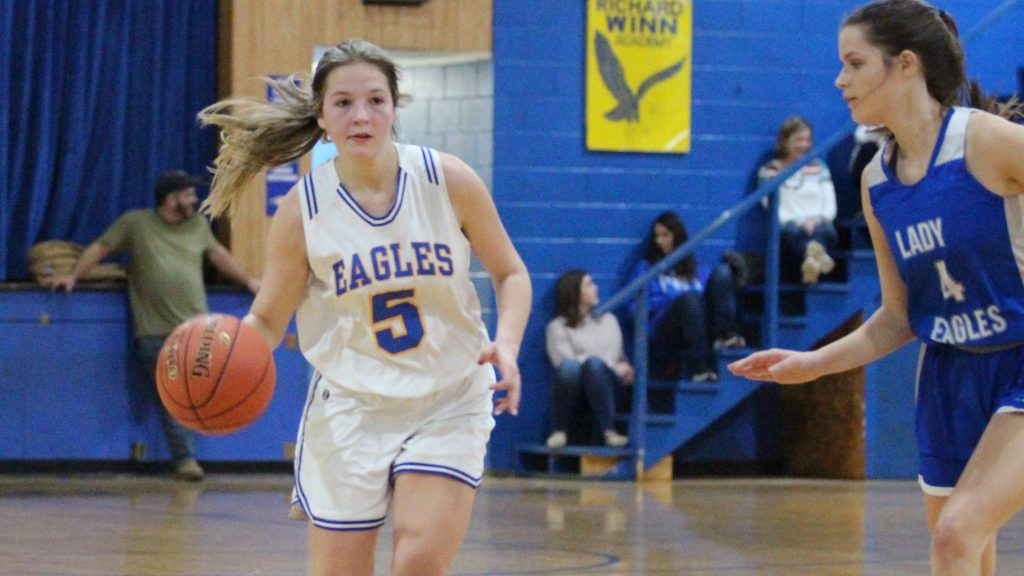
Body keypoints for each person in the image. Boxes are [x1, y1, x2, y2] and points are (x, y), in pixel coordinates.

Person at [196, 39, 531, 576]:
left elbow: (510, 273)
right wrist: (224, 355)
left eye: (376, 100)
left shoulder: (447, 180)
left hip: (448, 395)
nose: (361, 116)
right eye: (344, 103)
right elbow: (269, 318)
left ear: (395, 108)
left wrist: (507, 344)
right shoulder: (303, 210)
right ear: (321, 116)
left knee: (418, 561)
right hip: (350, 408)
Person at [729, 2, 1024, 575]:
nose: (840, 79)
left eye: (855, 63)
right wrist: (813, 363)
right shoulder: (875, 181)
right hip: (948, 374)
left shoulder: (985, 140)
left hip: (1018, 359)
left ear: (905, 64)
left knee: (955, 535)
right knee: (965, 551)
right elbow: (898, 316)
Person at [47, 170, 261, 481]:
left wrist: (248, 280)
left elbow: (219, 257)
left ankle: (189, 456)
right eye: (188, 194)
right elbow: (100, 248)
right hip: (156, 330)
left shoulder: (198, 226)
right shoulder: (136, 223)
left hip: (198, 330)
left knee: (197, 394)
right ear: (170, 199)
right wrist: (73, 276)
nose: (195, 200)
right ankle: (185, 460)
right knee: (175, 396)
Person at [630, 211, 747, 384]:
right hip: (666, 328)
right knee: (689, 299)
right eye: (656, 236)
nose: (659, 241)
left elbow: (712, 299)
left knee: (722, 272)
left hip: (699, 325)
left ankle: (726, 336)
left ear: (677, 236)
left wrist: (733, 281)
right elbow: (633, 307)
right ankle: (700, 367)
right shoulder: (646, 268)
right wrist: (670, 301)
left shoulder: (696, 268)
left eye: (665, 235)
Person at [545, 270, 632, 449]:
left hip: (609, 388)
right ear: (575, 292)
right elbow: (563, 362)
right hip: (576, 392)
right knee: (572, 368)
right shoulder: (557, 327)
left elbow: (612, 355)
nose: (596, 288)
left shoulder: (608, 320)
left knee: (594, 366)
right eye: (589, 284)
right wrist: (603, 364)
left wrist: (593, 362)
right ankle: (559, 431)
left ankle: (610, 432)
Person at [758, 116, 839, 284]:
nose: (804, 145)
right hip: (791, 227)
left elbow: (830, 205)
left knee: (826, 231)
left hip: (819, 225)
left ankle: (811, 261)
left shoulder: (819, 168)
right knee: (792, 233)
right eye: (799, 140)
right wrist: (801, 222)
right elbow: (771, 207)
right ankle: (816, 257)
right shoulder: (769, 171)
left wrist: (815, 221)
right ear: (785, 141)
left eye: (807, 140)